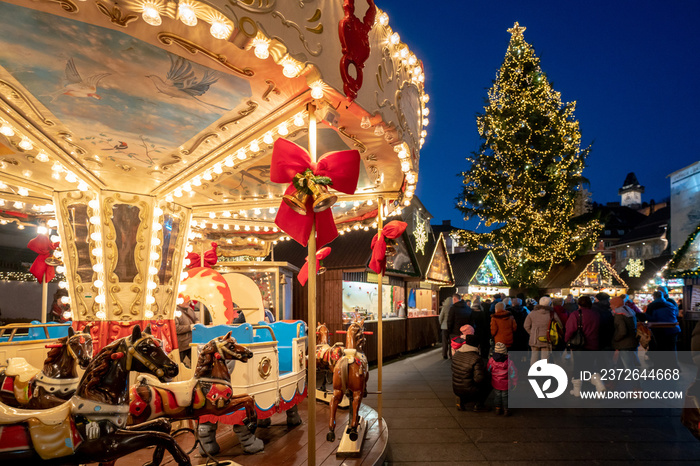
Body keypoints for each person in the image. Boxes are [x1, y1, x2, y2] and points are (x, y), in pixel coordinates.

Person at [565, 296, 601, 396]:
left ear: (579, 304)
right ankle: (599, 384)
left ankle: (577, 391)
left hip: (579, 345)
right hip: (594, 344)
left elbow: (570, 329)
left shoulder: (576, 314)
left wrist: (567, 340)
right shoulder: (596, 314)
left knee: (578, 366)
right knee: (590, 366)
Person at [452, 333, 491, 412]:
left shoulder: (456, 354)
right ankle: (478, 405)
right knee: (490, 380)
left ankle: (462, 400)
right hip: (469, 389)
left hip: (456, 388)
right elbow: (479, 379)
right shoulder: (476, 358)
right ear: (477, 345)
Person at [646, 290, 681, 369]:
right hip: (673, 329)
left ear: (654, 297)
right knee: (672, 348)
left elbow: (649, 317)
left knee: (659, 348)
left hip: (660, 329)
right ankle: (673, 367)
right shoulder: (670, 304)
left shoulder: (652, 305)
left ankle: (659, 366)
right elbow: (676, 314)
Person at [611, 295, 640, 389]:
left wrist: (615, 338)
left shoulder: (619, 314)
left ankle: (637, 388)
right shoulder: (628, 311)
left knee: (629, 367)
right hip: (631, 342)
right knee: (620, 365)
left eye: (611, 304)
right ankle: (614, 383)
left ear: (615, 305)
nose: (610, 306)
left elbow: (622, 331)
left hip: (625, 344)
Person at [524, 297, 562, 365]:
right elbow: (560, 325)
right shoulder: (552, 314)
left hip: (534, 338)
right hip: (547, 338)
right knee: (545, 358)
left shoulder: (532, 313)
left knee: (534, 356)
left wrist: (532, 333)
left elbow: (526, 325)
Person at [488, 342, 518, 416]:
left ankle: (498, 408)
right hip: (506, 384)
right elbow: (513, 373)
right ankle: (506, 410)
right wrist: (514, 382)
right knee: (505, 397)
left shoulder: (491, 361)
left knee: (497, 395)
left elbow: (488, 369)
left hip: (496, 383)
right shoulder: (509, 362)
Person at [175, 301, 199, 367]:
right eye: (186, 301)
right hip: (182, 344)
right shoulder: (175, 312)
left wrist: (197, 322)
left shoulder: (190, 309)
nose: (188, 302)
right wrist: (190, 327)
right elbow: (176, 329)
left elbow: (196, 319)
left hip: (192, 341)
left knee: (196, 362)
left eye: (188, 301)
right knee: (178, 363)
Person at [439, 295, 453, 359]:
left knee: (444, 341)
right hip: (451, 327)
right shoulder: (453, 307)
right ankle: (451, 354)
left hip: (444, 327)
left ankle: (444, 354)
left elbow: (440, 317)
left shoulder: (444, 307)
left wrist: (441, 323)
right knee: (451, 341)